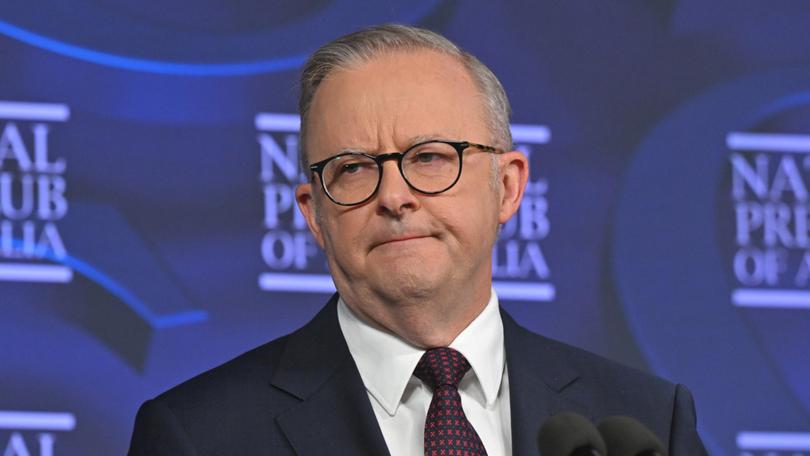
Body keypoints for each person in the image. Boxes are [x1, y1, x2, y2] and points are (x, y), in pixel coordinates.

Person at [129, 24, 707, 455]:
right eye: (353, 168)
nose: (395, 196)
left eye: (431, 157)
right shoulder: (200, 436)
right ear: (314, 213)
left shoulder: (647, 423)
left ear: (507, 187)